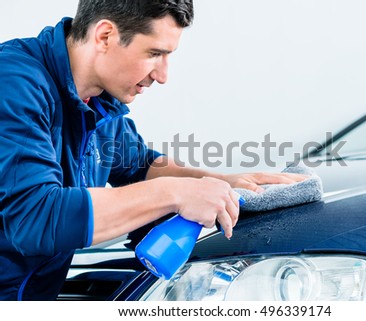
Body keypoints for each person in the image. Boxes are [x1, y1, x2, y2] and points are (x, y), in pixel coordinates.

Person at [0, 0, 306, 300]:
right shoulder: (13, 84)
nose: (162, 75)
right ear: (105, 36)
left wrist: (219, 183)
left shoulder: (96, 99)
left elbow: (139, 166)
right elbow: (35, 217)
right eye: (154, 54)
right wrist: (175, 193)